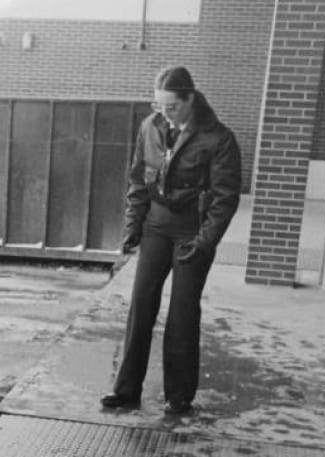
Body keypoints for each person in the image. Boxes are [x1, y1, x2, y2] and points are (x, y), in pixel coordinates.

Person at [101, 65, 242, 416]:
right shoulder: (150, 126)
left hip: (192, 230)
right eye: (159, 106)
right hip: (156, 225)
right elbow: (138, 179)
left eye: (172, 107)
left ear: (190, 99)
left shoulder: (219, 139)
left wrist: (205, 242)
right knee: (141, 304)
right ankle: (126, 389)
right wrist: (133, 226)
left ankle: (178, 396)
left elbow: (225, 199)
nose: (164, 113)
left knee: (182, 312)